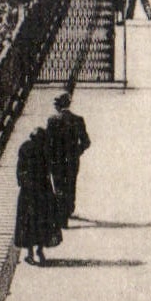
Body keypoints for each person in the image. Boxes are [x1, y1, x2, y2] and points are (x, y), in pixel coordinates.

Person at [14, 126, 59, 266]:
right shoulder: (46, 149)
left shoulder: (25, 148)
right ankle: (40, 250)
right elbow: (51, 170)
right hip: (44, 190)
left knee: (28, 221)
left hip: (29, 191)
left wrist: (23, 183)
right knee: (44, 219)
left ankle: (30, 253)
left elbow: (20, 170)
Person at [46, 92, 91, 226]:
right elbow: (86, 142)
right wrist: (77, 151)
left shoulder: (52, 121)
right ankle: (69, 209)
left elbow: (48, 142)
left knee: (59, 185)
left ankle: (61, 215)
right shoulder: (78, 120)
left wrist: (48, 157)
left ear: (58, 106)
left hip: (56, 160)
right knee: (71, 184)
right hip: (72, 160)